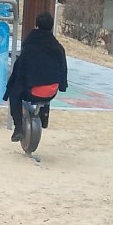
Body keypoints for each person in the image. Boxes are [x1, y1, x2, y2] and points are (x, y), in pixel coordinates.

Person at [4, 11, 68, 143]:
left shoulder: (29, 48)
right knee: (47, 80)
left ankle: (18, 127)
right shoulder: (58, 48)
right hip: (51, 92)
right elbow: (63, 70)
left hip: (33, 92)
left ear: (36, 26)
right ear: (51, 27)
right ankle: (44, 113)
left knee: (15, 92)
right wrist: (61, 86)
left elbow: (19, 72)